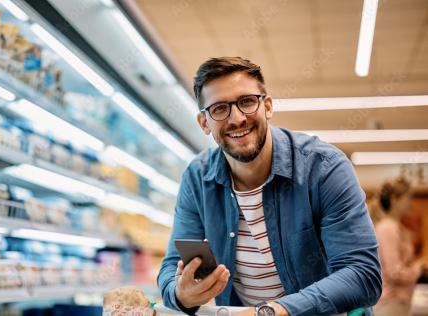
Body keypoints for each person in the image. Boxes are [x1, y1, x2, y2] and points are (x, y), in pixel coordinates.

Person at [157, 57, 382, 316]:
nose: (237, 118)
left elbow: (363, 275)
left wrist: (270, 311)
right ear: (205, 123)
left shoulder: (324, 168)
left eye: (247, 101)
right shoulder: (197, 179)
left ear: (268, 106)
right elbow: (171, 267)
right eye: (219, 108)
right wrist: (180, 294)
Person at [371, 178, 423, 316]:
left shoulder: (396, 227)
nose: (411, 203)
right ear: (395, 199)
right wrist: (418, 268)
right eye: (408, 198)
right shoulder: (388, 228)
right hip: (390, 302)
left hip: (397, 302)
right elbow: (395, 272)